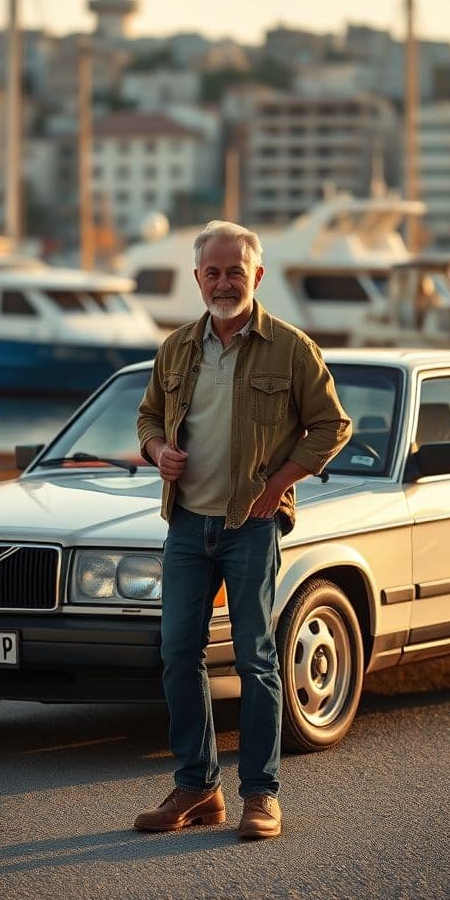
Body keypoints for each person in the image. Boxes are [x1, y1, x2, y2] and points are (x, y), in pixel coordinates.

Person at [135, 220, 351, 840]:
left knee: (256, 660)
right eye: (212, 272)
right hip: (186, 525)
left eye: (236, 271)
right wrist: (156, 451)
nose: (224, 282)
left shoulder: (291, 348)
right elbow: (149, 415)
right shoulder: (176, 347)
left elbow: (331, 426)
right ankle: (198, 787)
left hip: (249, 526)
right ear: (197, 277)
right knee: (178, 653)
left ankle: (261, 794)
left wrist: (278, 485)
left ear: (257, 276)